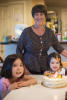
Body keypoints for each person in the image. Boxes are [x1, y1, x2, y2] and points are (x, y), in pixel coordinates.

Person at [16, 4, 67, 75]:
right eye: (36, 14)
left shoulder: (50, 32)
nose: (39, 17)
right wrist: (23, 67)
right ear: (33, 16)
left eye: (41, 14)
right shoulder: (26, 32)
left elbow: (60, 49)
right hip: (28, 68)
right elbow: (18, 50)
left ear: (45, 16)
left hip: (45, 68)